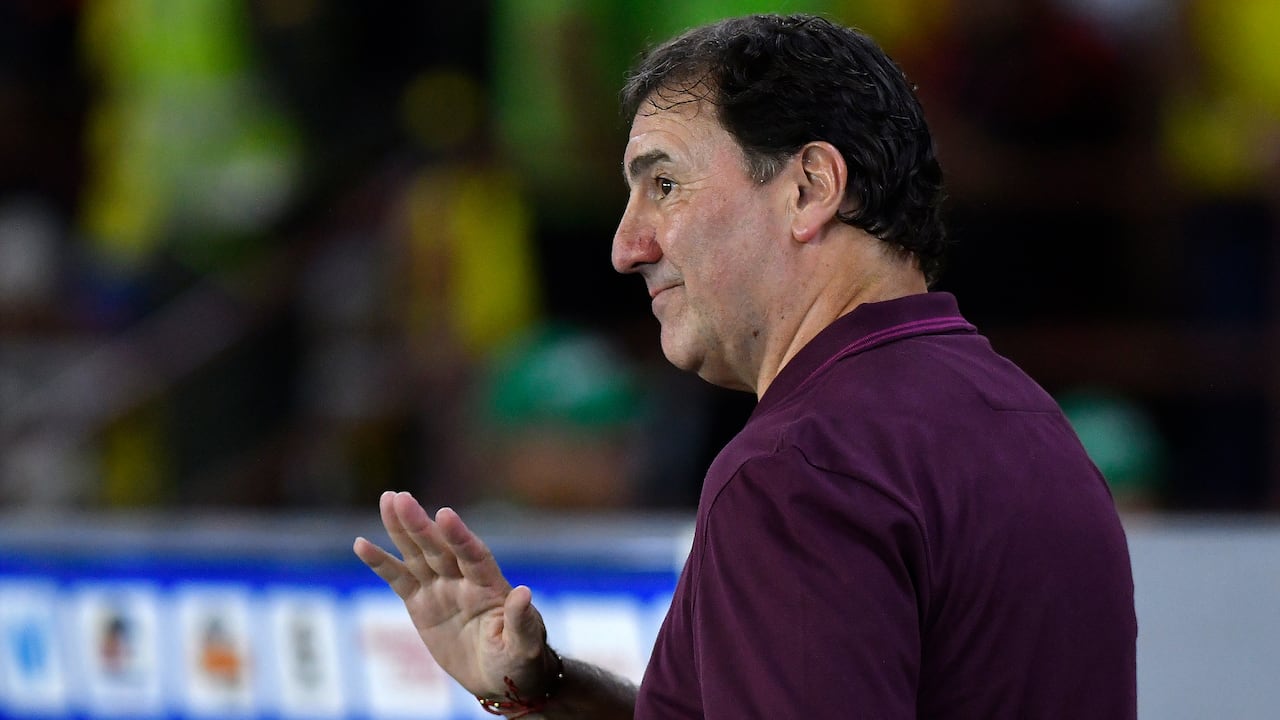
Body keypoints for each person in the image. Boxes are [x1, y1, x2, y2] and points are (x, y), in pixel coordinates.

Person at [353, 14, 1137, 719]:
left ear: (810, 188)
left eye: (665, 185)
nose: (628, 247)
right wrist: (546, 687)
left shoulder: (799, 469)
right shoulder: (1038, 428)